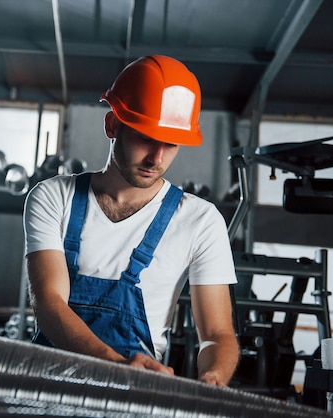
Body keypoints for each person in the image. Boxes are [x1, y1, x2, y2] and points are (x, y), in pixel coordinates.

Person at [23, 55, 239, 387]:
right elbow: (50, 305)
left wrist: (214, 377)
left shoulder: (200, 221)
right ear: (113, 125)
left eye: (170, 144)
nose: (157, 158)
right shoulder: (54, 198)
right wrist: (117, 365)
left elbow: (216, 334)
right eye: (146, 138)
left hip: (135, 393)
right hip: (47, 386)